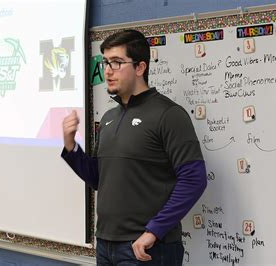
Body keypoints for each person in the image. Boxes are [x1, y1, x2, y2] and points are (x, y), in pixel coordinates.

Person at [61, 29, 207, 265]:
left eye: (117, 62)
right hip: (106, 245)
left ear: (140, 68)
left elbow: (194, 179)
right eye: (105, 62)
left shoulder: (168, 115)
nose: (108, 70)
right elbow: (101, 179)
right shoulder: (109, 118)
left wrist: (153, 231)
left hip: (147, 248)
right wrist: (71, 148)